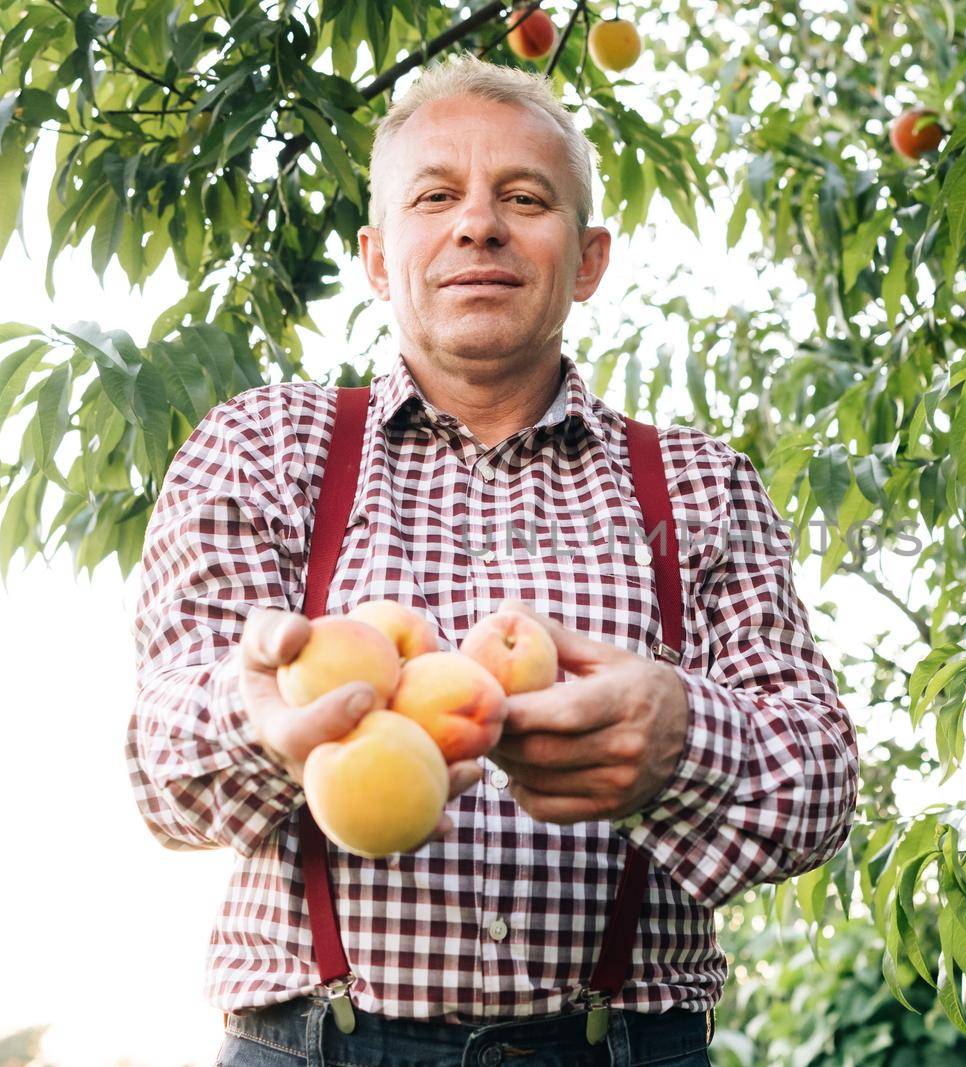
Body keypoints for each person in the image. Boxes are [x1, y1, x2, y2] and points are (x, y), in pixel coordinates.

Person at [127, 53, 858, 1066]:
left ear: (589, 258)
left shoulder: (697, 484)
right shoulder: (263, 449)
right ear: (377, 256)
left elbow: (820, 783)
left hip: (622, 1045)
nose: (479, 223)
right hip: (314, 1043)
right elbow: (161, 770)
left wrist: (684, 735)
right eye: (436, 196)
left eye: (524, 196)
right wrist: (261, 719)